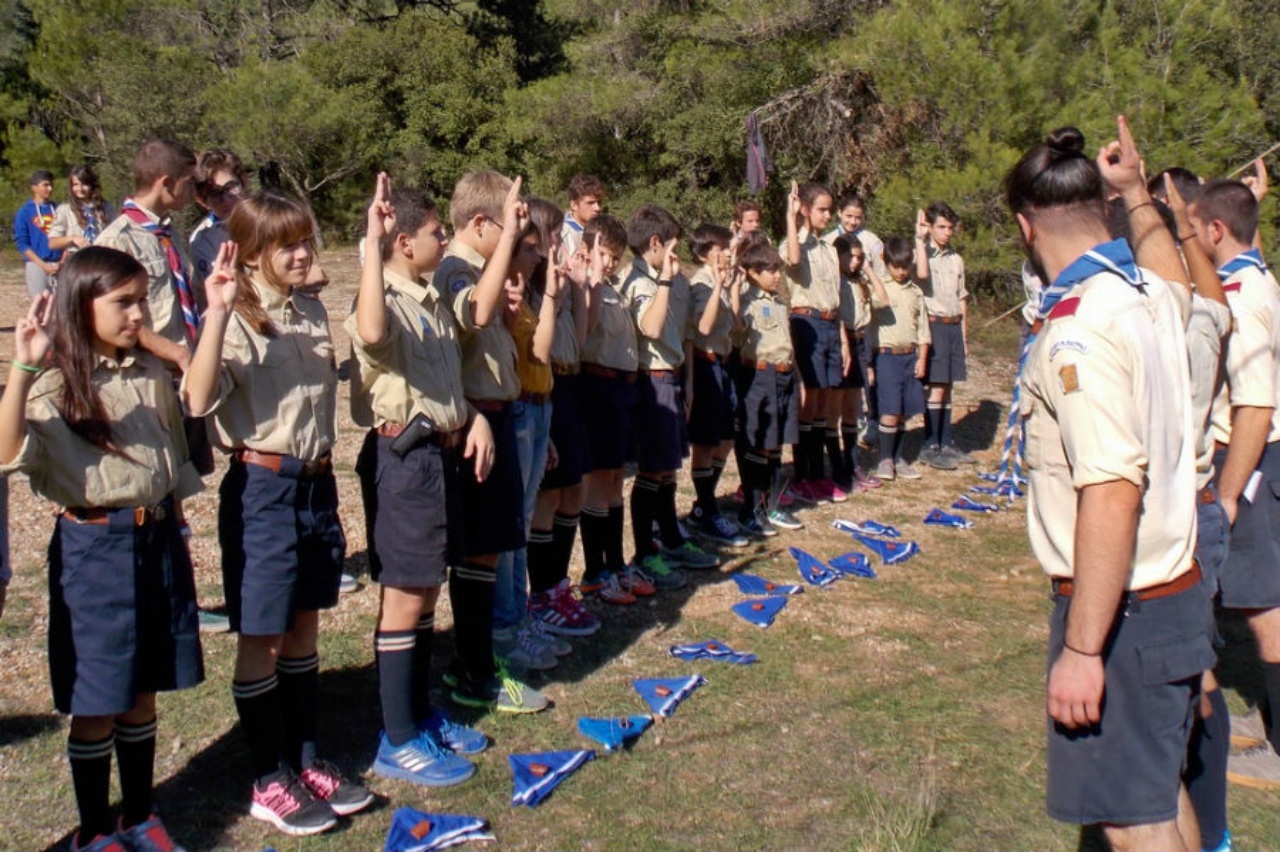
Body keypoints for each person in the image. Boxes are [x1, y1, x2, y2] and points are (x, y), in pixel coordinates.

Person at [1013, 118, 1211, 850]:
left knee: (1133, 827)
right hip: (1172, 588)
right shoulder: (1150, 295)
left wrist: (1084, 649)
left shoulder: (1080, 328)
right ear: (1102, 211)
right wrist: (1137, 193)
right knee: (1158, 796)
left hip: (1123, 609)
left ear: (1025, 228)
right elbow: (1174, 274)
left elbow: (1110, 489)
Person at [0, 247, 206, 852]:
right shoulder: (57, 381)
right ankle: (94, 833)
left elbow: (175, 444)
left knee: (142, 688)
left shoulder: (144, 370)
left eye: (142, 299)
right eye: (123, 302)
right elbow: (6, 453)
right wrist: (22, 370)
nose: (139, 313)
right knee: (99, 696)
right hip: (96, 548)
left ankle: (138, 816)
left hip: (156, 537)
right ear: (79, 304)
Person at [182, 192, 372, 835]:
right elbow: (198, 398)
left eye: (305, 242)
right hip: (263, 489)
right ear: (251, 254)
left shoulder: (310, 310)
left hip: (316, 486)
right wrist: (213, 314)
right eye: (285, 245)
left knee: (302, 629)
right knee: (261, 636)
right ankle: (268, 777)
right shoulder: (234, 319)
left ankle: (305, 758)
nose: (301, 254)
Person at [348, 174, 488, 788]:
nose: (441, 239)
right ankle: (397, 738)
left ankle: (420, 715)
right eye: (434, 232)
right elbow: (374, 336)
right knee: (404, 598)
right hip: (405, 464)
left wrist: (473, 416)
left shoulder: (430, 297)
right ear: (404, 242)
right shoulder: (380, 299)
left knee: (427, 592)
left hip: (442, 457)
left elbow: (447, 385)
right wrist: (366, 250)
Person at [430, 170, 547, 713]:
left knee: (489, 552)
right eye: (509, 223)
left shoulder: (484, 267)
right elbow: (473, 314)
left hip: (502, 416)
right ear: (480, 222)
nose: (517, 236)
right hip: (475, 424)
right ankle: (474, 668)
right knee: (477, 552)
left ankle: (477, 663)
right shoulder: (456, 267)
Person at [1189, 178, 1280, 791]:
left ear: (1215, 231)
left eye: (1195, 226)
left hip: (1252, 458)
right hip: (1257, 458)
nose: (1189, 236)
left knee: (1266, 605)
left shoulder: (1244, 297)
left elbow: (1255, 405)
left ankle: (1279, 749)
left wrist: (1229, 489)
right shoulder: (1257, 275)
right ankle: (1272, 718)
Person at [623, 203, 719, 584]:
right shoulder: (642, 281)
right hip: (652, 380)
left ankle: (671, 540)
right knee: (651, 471)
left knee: (666, 469)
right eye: (673, 247)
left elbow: (682, 332)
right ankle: (646, 552)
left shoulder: (666, 279)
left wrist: (689, 380)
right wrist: (663, 281)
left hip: (673, 376)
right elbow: (650, 327)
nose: (677, 257)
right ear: (655, 242)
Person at [492, 206, 565, 671]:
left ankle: (519, 617)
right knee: (511, 523)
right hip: (517, 410)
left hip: (540, 410)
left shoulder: (528, 295)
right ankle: (506, 623)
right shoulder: (503, 295)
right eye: (532, 249)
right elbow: (538, 350)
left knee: (521, 519)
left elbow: (544, 363)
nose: (539, 257)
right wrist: (555, 296)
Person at [527, 221, 600, 634]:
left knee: (575, 487)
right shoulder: (533, 291)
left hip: (572, 384)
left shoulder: (562, 286)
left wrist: (585, 286)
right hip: (547, 385)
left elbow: (585, 336)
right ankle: (542, 592)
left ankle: (557, 587)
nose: (559, 245)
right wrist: (556, 294)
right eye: (552, 239)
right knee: (549, 496)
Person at [577, 215, 651, 604]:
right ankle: (594, 571)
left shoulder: (614, 289)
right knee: (598, 480)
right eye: (604, 254)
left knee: (615, 479)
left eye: (615, 257)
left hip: (622, 390)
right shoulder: (586, 287)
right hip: (597, 386)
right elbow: (585, 336)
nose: (609, 263)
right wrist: (587, 283)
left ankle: (617, 562)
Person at [95, 139, 199, 375]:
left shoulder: (168, 234)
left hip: (185, 365)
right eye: (189, 182)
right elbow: (112, 316)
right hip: (148, 369)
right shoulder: (117, 240)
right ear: (167, 183)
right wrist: (174, 352)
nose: (194, 192)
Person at [782, 181, 849, 504]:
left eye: (829, 209)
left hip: (829, 323)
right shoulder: (797, 243)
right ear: (807, 210)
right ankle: (802, 473)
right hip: (805, 321)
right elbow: (793, 261)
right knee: (808, 398)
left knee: (824, 397)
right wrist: (792, 219)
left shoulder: (828, 247)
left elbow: (836, 296)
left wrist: (844, 340)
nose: (828, 215)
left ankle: (818, 473)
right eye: (821, 209)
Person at [684, 223, 748, 547]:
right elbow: (704, 325)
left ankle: (702, 505)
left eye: (728, 248)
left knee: (725, 438)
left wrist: (731, 287)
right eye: (721, 249)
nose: (727, 254)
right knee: (706, 444)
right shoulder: (700, 283)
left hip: (723, 365)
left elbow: (736, 328)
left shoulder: (723, 282)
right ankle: (708, 511)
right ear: (704, 253)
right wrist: (718, 286)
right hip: (705, 365)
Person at [732, 240, 802, 535]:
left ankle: (772, 506)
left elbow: (786, 346)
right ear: (751, 272)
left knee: (776, 445)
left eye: (778, 270)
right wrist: (733, 289)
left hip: (784, 376)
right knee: (757, 443)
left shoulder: (778, 302)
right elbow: (735, 332)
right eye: (770, 270)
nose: (777, 276)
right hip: (759, 377)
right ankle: (750, 508)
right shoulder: (747, 302)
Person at [915, 201, 974, 469]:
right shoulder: (922, 254)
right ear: (930, 226)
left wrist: (964, 336)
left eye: (950, 228)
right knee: (936, 387)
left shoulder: (956, 259)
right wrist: (920, 239)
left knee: (948, 386)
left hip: (952, 325)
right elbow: (919, 275)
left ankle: (946, 441)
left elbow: (962, 298)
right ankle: (930, 445)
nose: (947, 233)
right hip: (934, 324)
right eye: (941, 227)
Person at [868, 237, 930, 482]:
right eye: (897, 267)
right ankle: (885, 457)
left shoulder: (916, 293)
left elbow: (923, 329)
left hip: (909, 355)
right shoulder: (880, 288)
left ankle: (899, 457)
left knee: (905, 411)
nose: (902, 272)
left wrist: (922, 358)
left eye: (906, 267)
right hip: (887, 356)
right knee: (890, 410)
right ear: (887, 263)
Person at [833, 233, 886, 492]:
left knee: (853, 408)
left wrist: (868, 270)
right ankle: (838, 467)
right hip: (843, 341)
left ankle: (852, 463)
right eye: (850, 257)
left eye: (859, 257)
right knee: (836, 408)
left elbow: (883, 299)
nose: (854, 262)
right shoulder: (835, 281)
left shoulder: (860, 281)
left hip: (861, 341)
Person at [189, 148, 249, 310]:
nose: (225, 199)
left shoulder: (270, 220)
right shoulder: (201, 242)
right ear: (202, 201)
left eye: (230, 187)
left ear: (244, 181)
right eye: (215, 194)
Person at [13, 169, 62, 296]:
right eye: (45, 185)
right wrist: (42, 265)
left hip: (59, 265)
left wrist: (61, 262)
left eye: (51, 185)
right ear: (34, 188)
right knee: (39, 304)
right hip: (36, 264)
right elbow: (22, 243)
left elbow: (67, 238)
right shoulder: (24, 212)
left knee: (59, 306)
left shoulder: (59, 210)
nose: (50, 188)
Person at [49, 165, 111, 254]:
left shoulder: (106, 208)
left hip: (100, 258)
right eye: (76, 184)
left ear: (92, 185)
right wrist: (72, 238)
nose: (80, 189)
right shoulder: (65, 210)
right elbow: (52, 243)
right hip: (76, 259)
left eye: (84, 184)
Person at [560, 173, 604, 255]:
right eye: (590, 203)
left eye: (599, 202)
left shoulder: (600, 231)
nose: (597, 208)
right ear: (574, 205)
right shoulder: (562, 236)